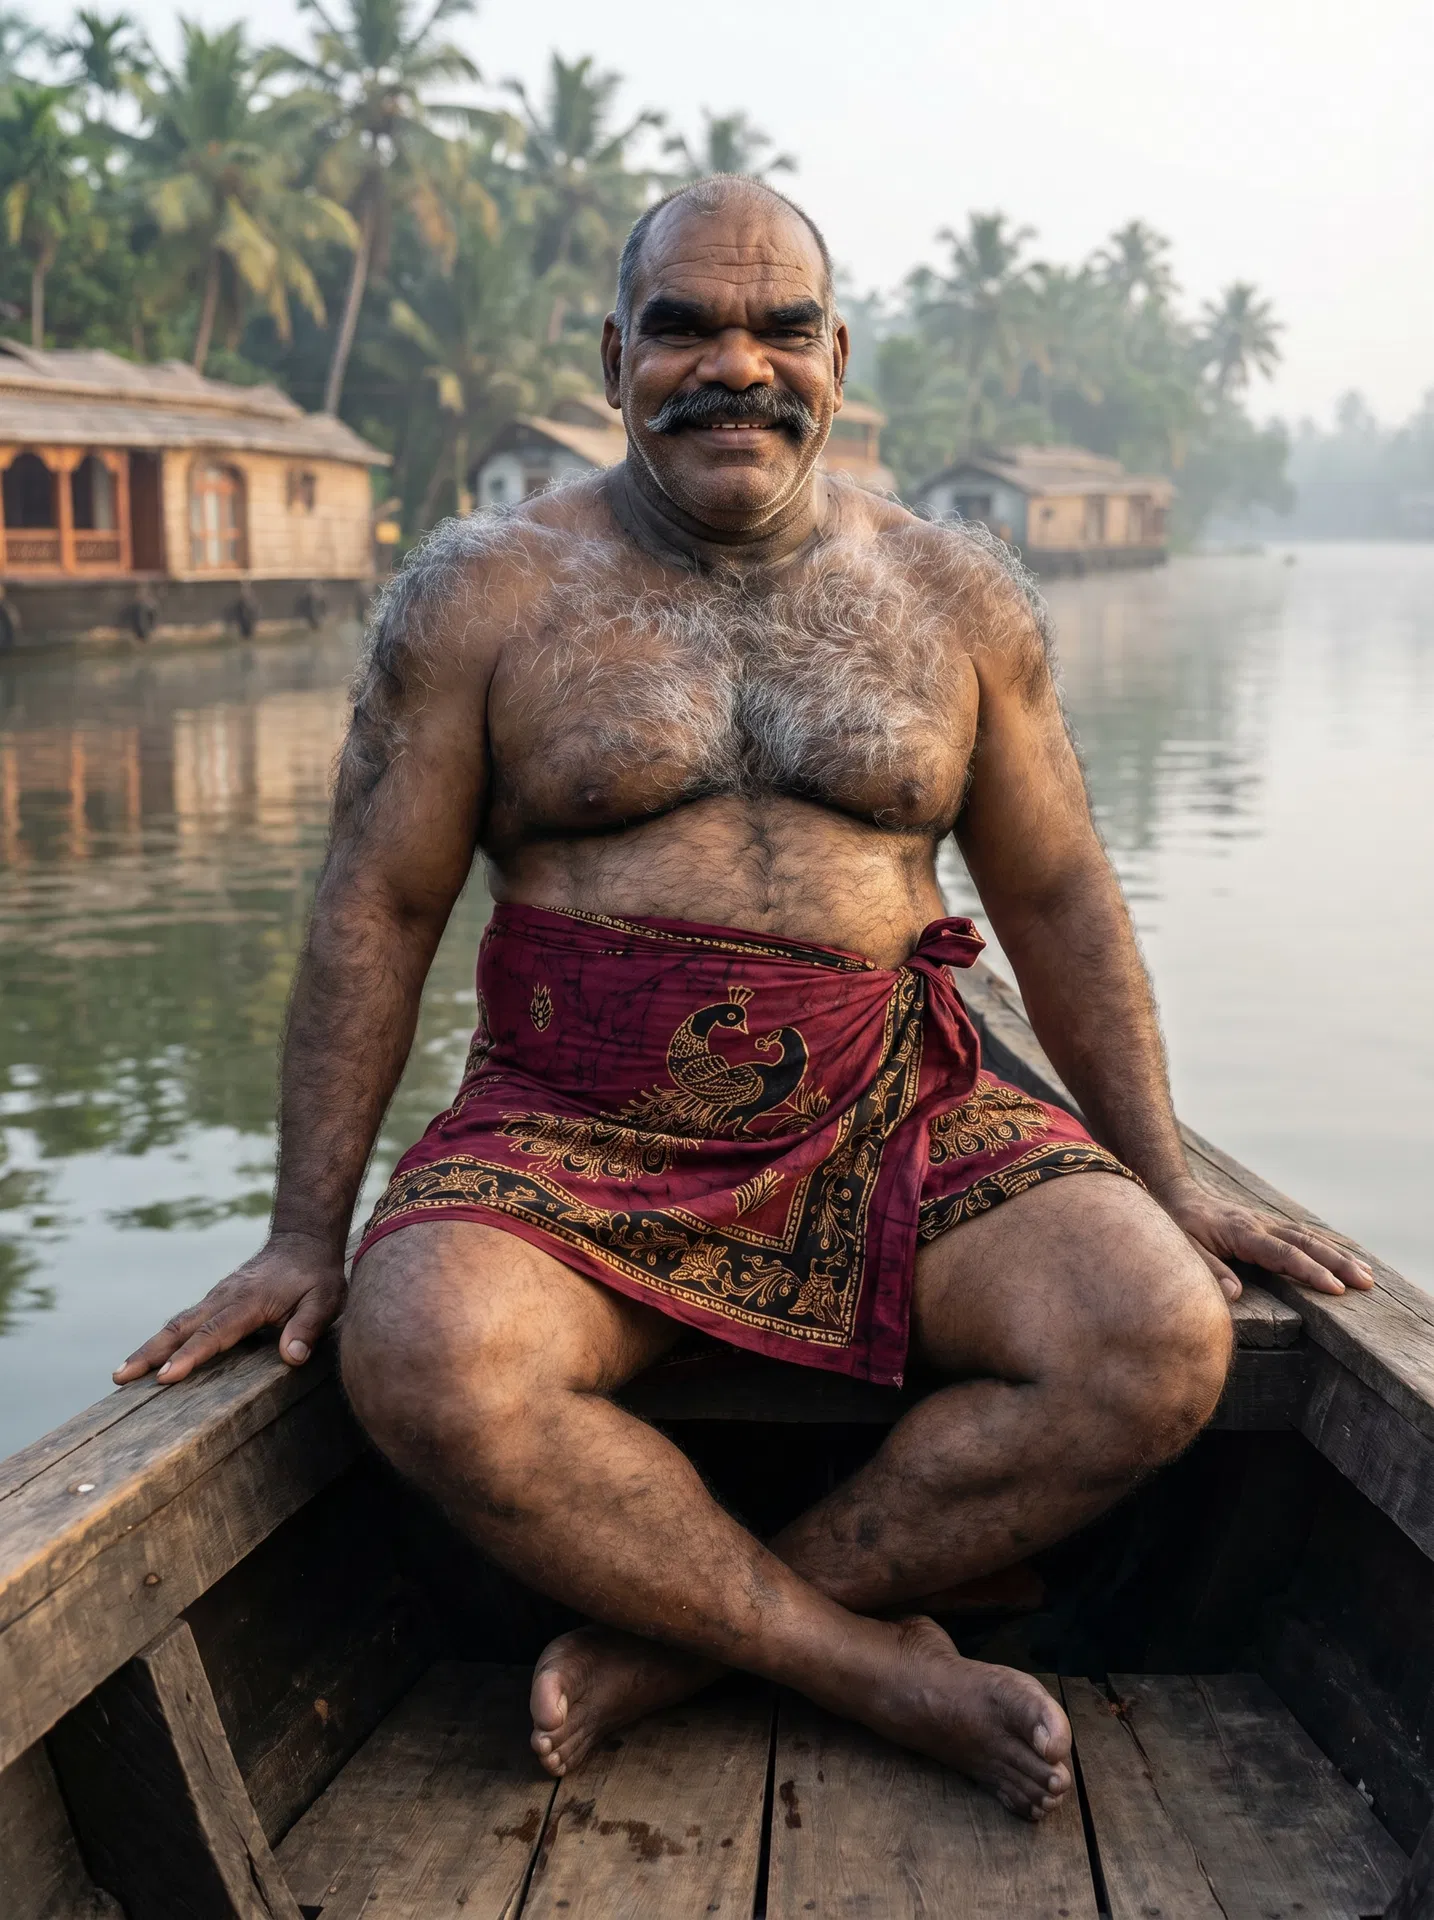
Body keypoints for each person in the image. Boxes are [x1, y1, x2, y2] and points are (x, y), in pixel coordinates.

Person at [115, 176, 1372, 1822]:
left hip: (900, 1114)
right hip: (573, 1130)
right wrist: (301, 1232)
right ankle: (859, 1661)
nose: (736, 364)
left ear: (835, 355)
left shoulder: (954, 594)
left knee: (1153, 1340)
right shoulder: (481, 594)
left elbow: (1056, 895)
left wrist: (1165, 1172)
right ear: (614, 351)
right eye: (685, 325)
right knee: (424, 1355)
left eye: (779, 327)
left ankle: (683, 1647)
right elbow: (382, 903)